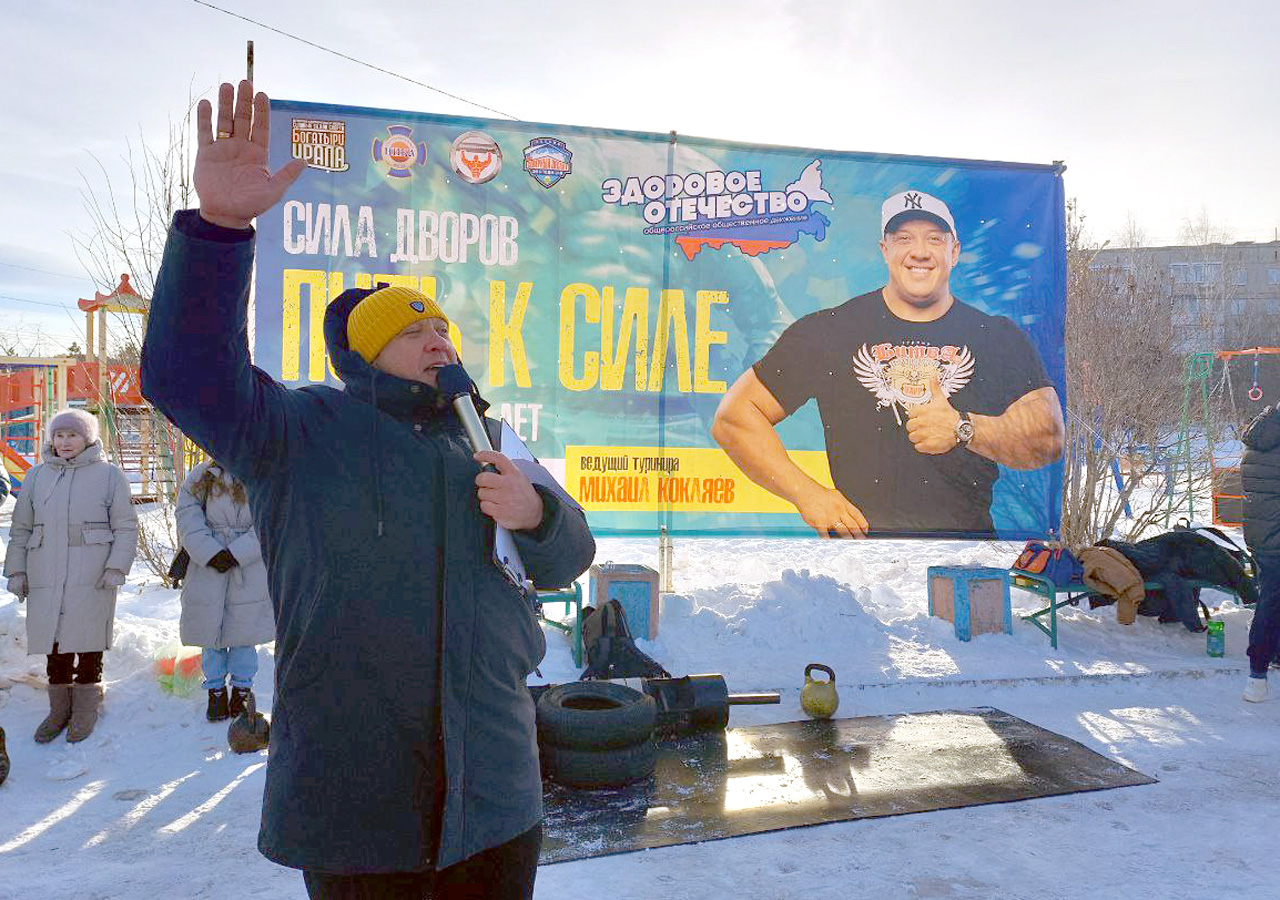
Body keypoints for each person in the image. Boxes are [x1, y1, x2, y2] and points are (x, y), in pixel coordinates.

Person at [140, 81, 595, 899]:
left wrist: (539, 514)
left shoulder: (488, 439)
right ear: (366, 355)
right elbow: (186, 375)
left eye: (442, 328)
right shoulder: (301, 431)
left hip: (496, 797)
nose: (436, 339)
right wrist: (220, 230)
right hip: (358, 804)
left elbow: (569, 560)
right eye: (413, 331)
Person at [712, 189, 1064, 538]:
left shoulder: (996, 337)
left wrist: (963, 428)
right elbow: (735, 419)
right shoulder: (830, 330)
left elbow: (1048, 438)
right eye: (904, 238)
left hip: (966, 554)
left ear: (954, 252)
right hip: (860, 557)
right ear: (885, 250)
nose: (920, 252)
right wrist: (809, 495)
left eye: (935, 239)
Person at [3, 408, 138, 743]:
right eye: (59, 435)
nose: (64, 442)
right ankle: (59, 708)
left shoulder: (109, 476)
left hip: (91, 570)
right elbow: (21, 528)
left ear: (88, 438)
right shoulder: (36, 476)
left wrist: (116, 567)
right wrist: (17, 570)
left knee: (89, 637)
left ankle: (86, 708)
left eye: (72, 435)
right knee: (55, 640)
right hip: (45, 568)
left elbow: (125, 526)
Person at [176, 459, 274, 722]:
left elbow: (271, 517)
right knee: (211, 634)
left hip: (249, 566)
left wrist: (239, 552)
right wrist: (209, 551)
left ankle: (242, 690)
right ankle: (215, 690)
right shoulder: (202, 475)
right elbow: (187, 514)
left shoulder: (263, 472)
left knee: (244, 633)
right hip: (206, 563)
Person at [1242, 404, 1280, 702]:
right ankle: (1257, 675)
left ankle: (1260, 674)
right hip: (1275, 537)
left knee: (1270, 601)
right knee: (1271, 604)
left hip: (1262, 538)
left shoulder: (1260, 438)